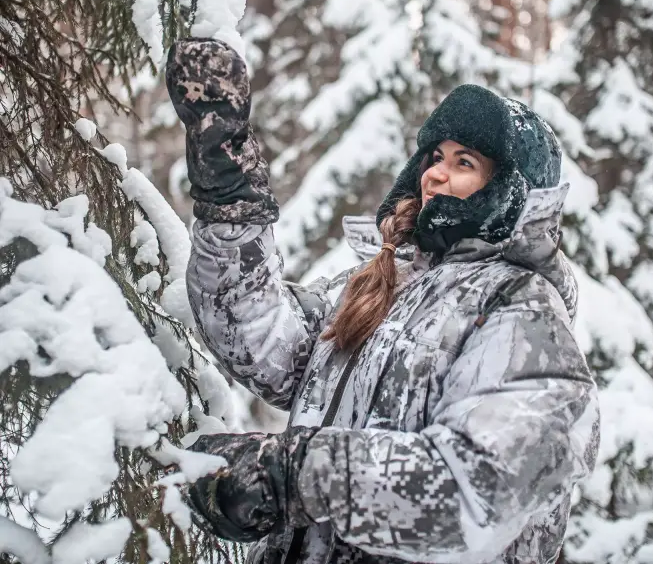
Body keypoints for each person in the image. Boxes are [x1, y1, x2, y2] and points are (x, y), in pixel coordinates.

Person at [166, 38, 600, 564]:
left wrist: (293, 475)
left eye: (464, 162)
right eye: (434, 157)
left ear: (512, 190)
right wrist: (230, 194)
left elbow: (475, 490)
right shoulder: (382, 284)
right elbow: (258, 337)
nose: (435, 173)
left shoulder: (524, 311)